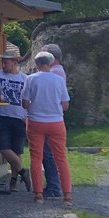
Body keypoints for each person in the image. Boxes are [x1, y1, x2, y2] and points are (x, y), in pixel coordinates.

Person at [21, 51, 72, 205]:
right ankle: (67, 196)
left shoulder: (30, 79)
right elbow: (65, 105)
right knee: (61, 158)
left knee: (36, 158)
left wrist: (34, 107)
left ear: (36, 64)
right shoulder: (59, 80)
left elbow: (24, 103)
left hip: (36, 122)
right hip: (56, 122)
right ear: (51, 63)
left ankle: (38, 195)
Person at [0, 47, 31, 192]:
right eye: (2, 62)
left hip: (19, 117)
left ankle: (13, 180)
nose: (3, 65)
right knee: (4, 148)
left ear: (14, 62)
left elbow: (28, 99)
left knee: (17, 151)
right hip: (3, 116)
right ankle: (24, 172)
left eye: (6, 62)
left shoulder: (24, 78)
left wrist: (28, 116)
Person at [40, 43, 66, 198]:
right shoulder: (59, 71)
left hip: (48, 118)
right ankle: (56, 186)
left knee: (48, 154)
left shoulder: (54, 73)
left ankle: (53, 187)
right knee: (52, 154)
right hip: (56, 117)